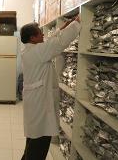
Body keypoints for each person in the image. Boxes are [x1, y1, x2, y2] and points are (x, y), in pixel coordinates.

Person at [20, 16, 81, 160]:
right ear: (33, 38)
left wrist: (61, 28)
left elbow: (49, 42)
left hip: (35, 104)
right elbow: (58, 43)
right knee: (38, 147)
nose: (43, 35)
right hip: (40, 105)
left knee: (32, 142)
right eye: (40, 33)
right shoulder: (38, 51)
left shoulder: (31, 50)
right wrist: (76, 24)